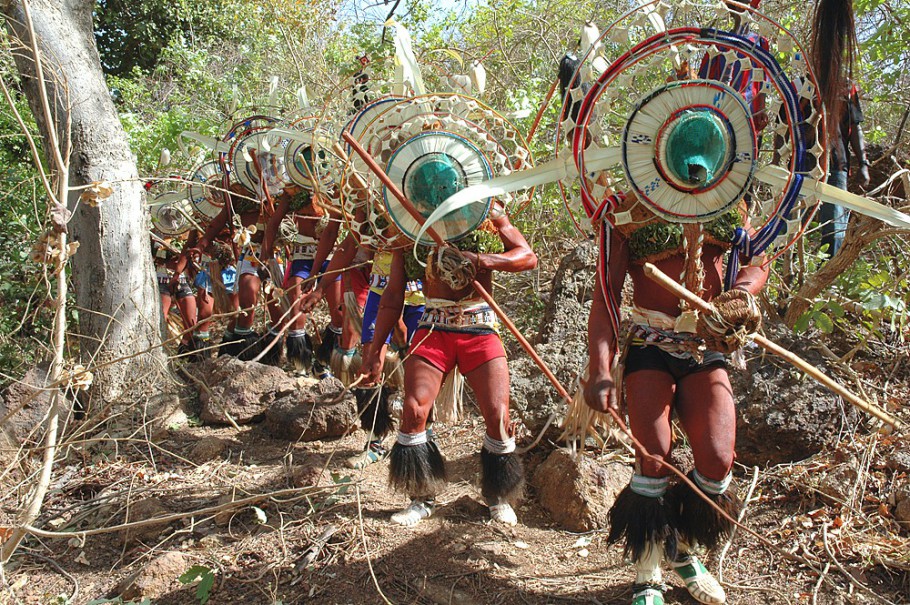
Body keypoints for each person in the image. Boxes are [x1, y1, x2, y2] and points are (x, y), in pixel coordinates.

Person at [584, 189, 768, 605]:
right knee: (653, 454)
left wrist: (740, 293)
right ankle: (647, 569)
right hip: (650, 342)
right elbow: (607, 295)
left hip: (706, 343)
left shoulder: (728, 196)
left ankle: (683, 549)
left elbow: (757, 262)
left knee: (718, 458)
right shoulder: (626, 208)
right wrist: (599, 368)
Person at [359, 208, 537, 527]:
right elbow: (392, 298)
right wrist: (375, 348)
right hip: (433, 328)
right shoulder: (410, 224)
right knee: (413, 410)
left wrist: (481, 260)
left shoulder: (488, 212)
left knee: (498, 415)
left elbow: (526, 257)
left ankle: (498, 495)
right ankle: (421, 496)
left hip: (479, 327)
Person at [346, 246, 427, 470]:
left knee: (422, 372)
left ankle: (423, 438)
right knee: (369, 366)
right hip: (381, 289)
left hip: (422, 294)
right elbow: (360, 238)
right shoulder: (377, 210)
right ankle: (375, 442)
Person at [261, 185, 343, 374]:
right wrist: (265, 258)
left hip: (331, 258)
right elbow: (273, 223)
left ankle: (324, 364)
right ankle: (300, 365)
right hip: (302, 258)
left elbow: (333, 230)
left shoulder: (336, 186)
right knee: (297, 314)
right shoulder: (293, 190)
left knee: (339, 315)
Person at [819, 81, 869, 256]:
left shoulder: (846, 86)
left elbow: (855, 126)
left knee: (834, 229)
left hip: (836, 165)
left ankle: (825, 277)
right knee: (793, 225)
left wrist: (863, 164)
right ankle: (788, 275)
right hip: (804, 166)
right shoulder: (801, 83)